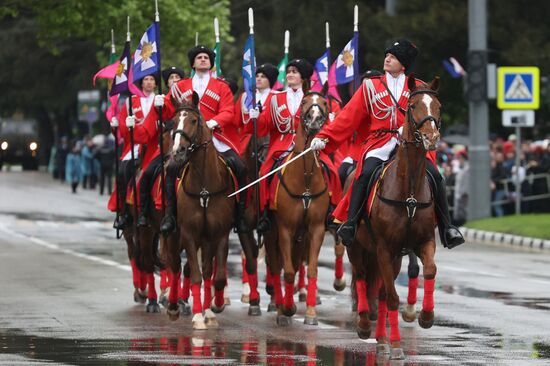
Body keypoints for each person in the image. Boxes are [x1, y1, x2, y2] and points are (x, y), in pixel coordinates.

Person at [310, 39, 464, 249]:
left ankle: (447, 228)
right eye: (387, 55)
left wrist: (411, 130)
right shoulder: (370, 86)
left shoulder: (419, 87)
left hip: (411, 144)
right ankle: (351, 224)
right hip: (380, 142)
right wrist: (324, 137)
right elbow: (348, 117)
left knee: (436, 176)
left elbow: (429, 115)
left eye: (393, 56)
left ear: (403, 64)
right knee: (364, 174)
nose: (387, 58)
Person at [155, 45, 249, 235]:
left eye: (206, 57)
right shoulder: (180, 86)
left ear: (211, 63)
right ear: (193, 63)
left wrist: (211, 123)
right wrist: (159, 105)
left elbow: (228, 112)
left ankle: (239, 217)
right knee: (171, 168)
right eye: (199, 57)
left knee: (240, 167)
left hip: (215, 138)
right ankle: (170, 216)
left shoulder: (221, 87)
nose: (203, 60)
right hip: (187, 140)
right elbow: (169, 111)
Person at [246, 58, 341, 233]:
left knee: (332, 171)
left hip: (309, 146)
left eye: (294, 72)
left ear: (303, 78)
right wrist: (256, 117)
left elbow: (325, 124)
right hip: (280, 147)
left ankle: (332, 213)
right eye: (289, 71)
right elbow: (263, 128)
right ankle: (264, 215)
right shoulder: (275, 98)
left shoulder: (313, 98)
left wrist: (321, 138)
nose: (289, 75)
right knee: (264, 173)